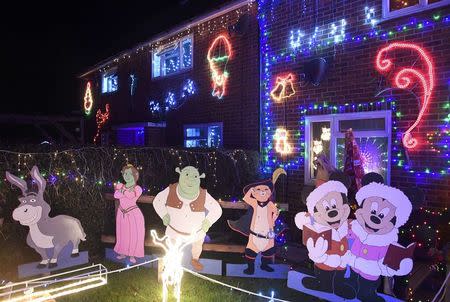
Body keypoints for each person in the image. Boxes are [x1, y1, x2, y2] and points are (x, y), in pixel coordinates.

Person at [153, 166, 222, 271]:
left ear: (198, 178)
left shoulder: (203, 194)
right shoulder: (171, 189)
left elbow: (217, 209)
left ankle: (194, 259)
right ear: (180, 175)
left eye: (194, 176)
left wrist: (208, 222)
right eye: (186, 176)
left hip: (196, 232)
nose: (190, 180)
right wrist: (164, 214)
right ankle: (170, 262)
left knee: (198, 243)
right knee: (172, 246)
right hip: (174, 230)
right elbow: (157, 201)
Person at [114, 164, 145, 264]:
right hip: (121, 213)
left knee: (133, 235)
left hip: (133, 215)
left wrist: (124, 191)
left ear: (135, 175)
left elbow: (131, 196)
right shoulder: (120, 186)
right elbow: (116, 194)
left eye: (129, 174)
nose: (126, 176)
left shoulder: (138, 188)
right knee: (122, 234)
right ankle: (122, 252)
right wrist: (124, 191)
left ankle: (132, 254)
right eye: (125, 173)